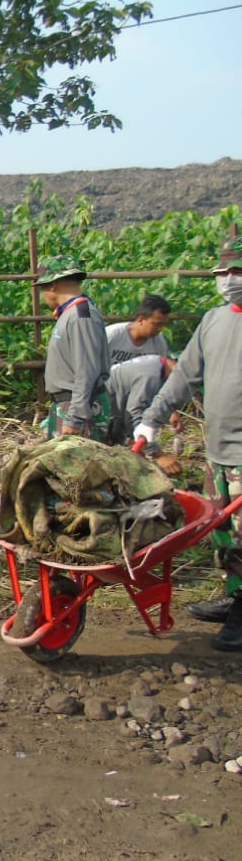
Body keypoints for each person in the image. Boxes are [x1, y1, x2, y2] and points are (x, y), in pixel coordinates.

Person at [135, 231, 242, 651]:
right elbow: (183, 378)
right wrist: (150, 421)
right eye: (223, 271)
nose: (229, 278)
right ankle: (235, 593)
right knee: (221, 530)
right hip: (218, 450)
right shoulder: (214, 321)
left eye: (237, 270)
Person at [35, 255, 110, 439]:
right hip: (68, 406)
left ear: (53, 285)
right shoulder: (71, 314)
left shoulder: (81, 317)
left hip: (77, 408)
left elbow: (87, 371)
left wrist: (76, 418)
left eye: (42, 288)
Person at [103, 354, 181, 475]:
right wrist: (158, 455)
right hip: (99, 407)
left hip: (114, 410)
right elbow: (134, 415)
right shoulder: (151, 376)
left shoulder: (157, 364)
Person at [107, 294, 172, 365]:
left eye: (163, 324)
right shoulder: (112, 334)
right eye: (157, 324)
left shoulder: (159, 342)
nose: (160, 329)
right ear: (140, 320)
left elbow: (161, 369)